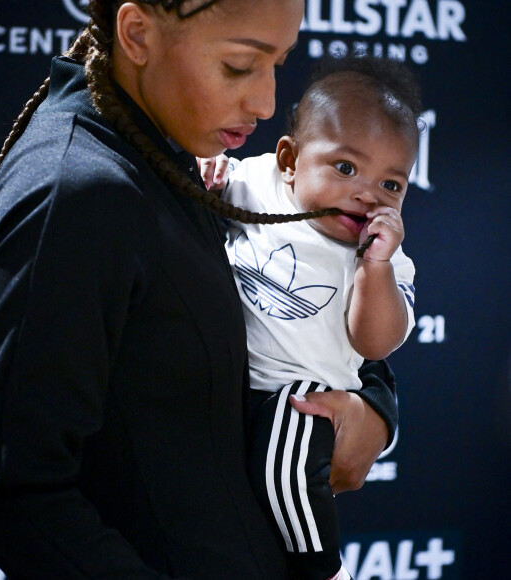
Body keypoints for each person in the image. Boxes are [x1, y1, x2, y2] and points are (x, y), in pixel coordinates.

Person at [0, 1, 401, 578]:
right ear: (137, 33)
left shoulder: (171, 148)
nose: (266, 103)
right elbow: (21, 501)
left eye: (279, 62)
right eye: (239, 65)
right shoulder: (76, 192)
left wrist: (372, 408)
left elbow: (310, 306)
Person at [200, 55, 423, 580]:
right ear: (288, 159)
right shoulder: (256, 182)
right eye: (345, 168)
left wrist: (374, 269)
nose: (367, 194)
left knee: (292, 459)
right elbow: (221, 177)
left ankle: (321, 569)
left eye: (391, 185)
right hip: (224, 393)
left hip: (300, 401)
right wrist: (210, 174)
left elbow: (375, 343)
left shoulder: (382, 260)